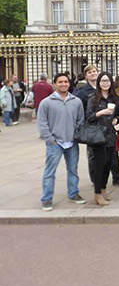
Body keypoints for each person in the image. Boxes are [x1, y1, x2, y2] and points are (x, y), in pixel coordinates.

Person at [37, 73, 86, 211]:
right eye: (60, 82)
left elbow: (80, 120)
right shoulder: (46, 102)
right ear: (54, 84)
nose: (63, 84)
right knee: (50, 172)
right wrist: (49, 139)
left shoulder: (76, 101)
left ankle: (73, 193)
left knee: (73, 170)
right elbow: (42, 122)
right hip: (55, 143)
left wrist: (76, 134)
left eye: (65, 82)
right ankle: (46, 199)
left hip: (71, 142)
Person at [86, 72, 119, 206]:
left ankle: (103, 189)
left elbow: (118, 115)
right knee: (98, 165)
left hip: (110, 135)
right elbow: (88, 117)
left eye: (107, 81)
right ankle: (97, 194)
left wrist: (116, 119)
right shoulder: (93, 99)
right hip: (98, 136)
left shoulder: (114, 98)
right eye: (103, 81)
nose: (105, 83)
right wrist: (101, 112)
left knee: (108, 164)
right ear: (99, 83)